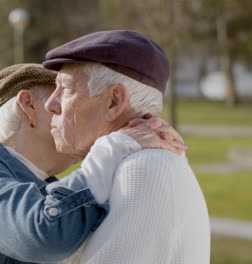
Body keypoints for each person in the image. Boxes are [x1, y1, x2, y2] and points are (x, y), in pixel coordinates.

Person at [0, 63, 185, 263]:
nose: (68, 111)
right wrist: (114, 147)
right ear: (29, 106)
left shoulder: (55, 191)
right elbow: (46, 236)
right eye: (62, 98)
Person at [43, 30, 210, 263]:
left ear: (113, 102)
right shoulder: (135, 165)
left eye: (67, 89)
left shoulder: (145, 168)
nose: (50, 104)